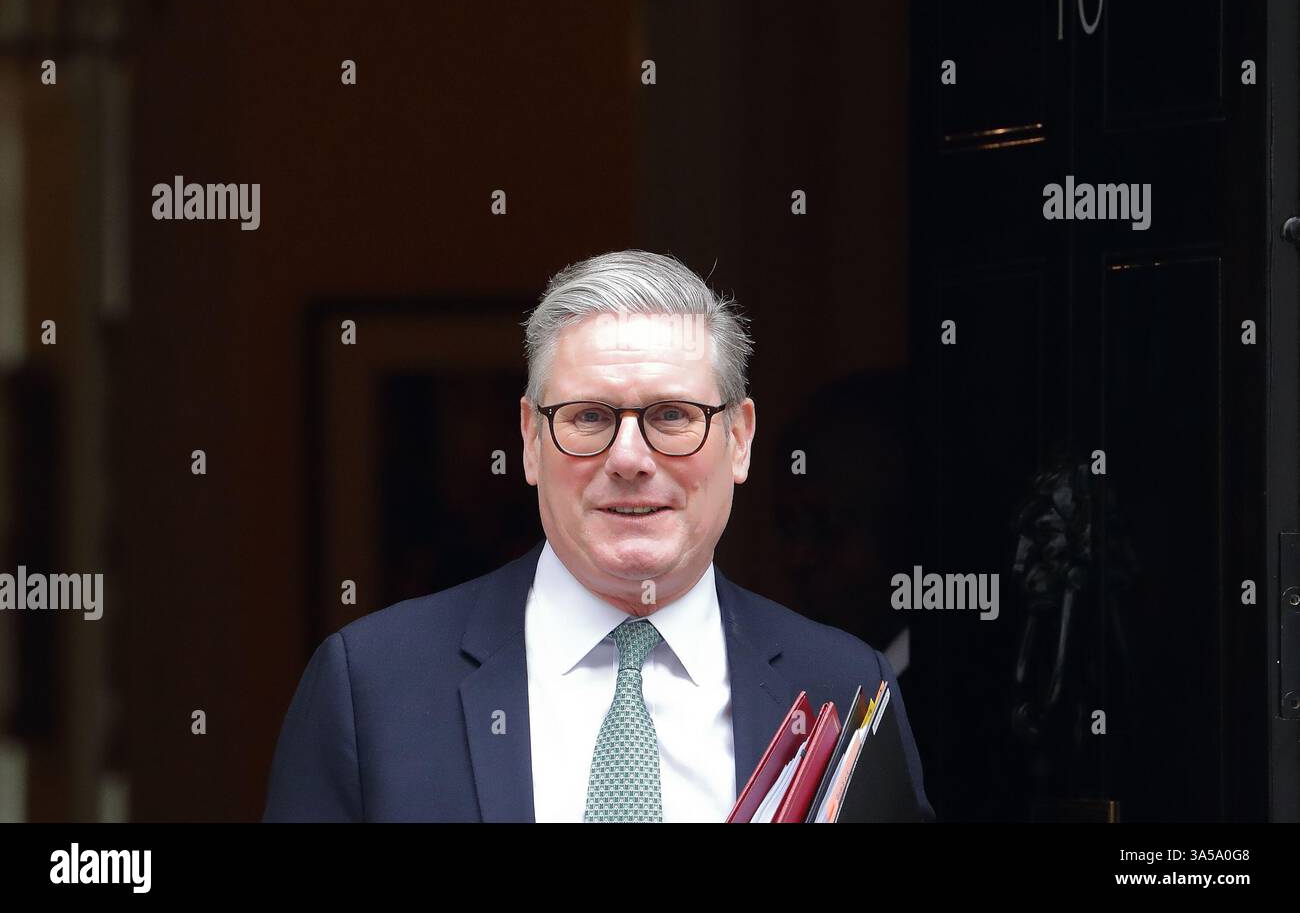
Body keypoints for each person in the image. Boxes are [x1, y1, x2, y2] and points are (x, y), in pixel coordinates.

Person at [262, 249, 933, 822]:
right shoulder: (371, 685)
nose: (630, 457)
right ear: (529, 440)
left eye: (672, 414)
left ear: (739, 439)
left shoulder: (846, 684)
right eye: (588, 416)